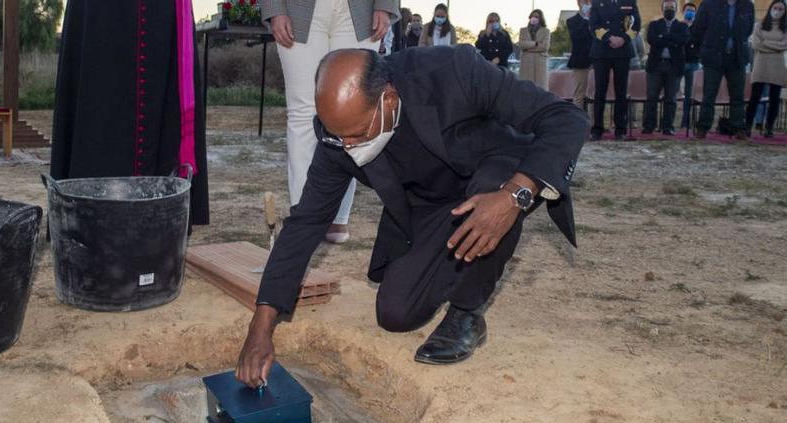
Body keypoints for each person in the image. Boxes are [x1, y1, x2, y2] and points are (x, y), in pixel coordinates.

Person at [234, 46, 590, 386]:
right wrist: (260, 327)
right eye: (337, 136)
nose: (347, 147)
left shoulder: (453, 72)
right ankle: (460, 262)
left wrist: (517, 193)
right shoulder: (337, 135)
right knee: (396, 315)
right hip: (432, 205)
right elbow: (306, 222)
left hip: (499, 179)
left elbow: (566, 118)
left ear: (388, 100)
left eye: (357, 135)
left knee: (491, 191)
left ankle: (467, 312)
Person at [51, 0, 209, 226]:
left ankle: (158, 218)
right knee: (98, 96)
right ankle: (93, 217)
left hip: (159, 13)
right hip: (101, 15)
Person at [262, 0, 399, 244]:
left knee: (353, 109)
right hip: (297, 9)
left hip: (360, 9)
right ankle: (304, 214)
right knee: (303, 112)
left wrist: (386, 4)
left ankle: (338, 213)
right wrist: (274, 8)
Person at [691, 0, 755, 140]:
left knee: (737, 96)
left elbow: (748, 29)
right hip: (713, 57)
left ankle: (738, 128)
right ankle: (703, 128)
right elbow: (697, 29)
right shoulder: (709, 4)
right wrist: (702, 51)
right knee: (709, 95)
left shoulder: (747, 5)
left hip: (737, 57)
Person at [589, 0, 641, 140]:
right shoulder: (597, 2)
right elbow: (593, 25)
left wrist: (623, 39)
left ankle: (620, 129)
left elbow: (636, 25)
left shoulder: (630, 2)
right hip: (602, 50)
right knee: (600, 91)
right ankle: (597, 129)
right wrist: (609, 38)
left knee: (621, 92)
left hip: (623, 51)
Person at [642, 0, 689, 135]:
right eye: (667, 7)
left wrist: (663, 37)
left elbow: (683, 39)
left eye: (672, 7)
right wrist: (672, 40)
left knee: (671, 99)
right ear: (662, 9)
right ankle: (649, 126)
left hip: (674, 66)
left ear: (676, 9)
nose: (669, 9)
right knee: (652, 98)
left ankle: (668, 127)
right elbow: (652, 39)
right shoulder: (654, 25)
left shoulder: (682, 26)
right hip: (655, 65)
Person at [746, 0, 787, 138]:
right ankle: (747, 126)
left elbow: (784, 45)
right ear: (770, 8)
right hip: (760, 66)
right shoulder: (759, 26)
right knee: (754, 98)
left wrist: (766, 43)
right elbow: (756, 45)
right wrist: (775, 45)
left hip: (777, 68)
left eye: (781, 9)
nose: (777, 11)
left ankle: (769, 128)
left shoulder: (785, 28)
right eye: (775, 8)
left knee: (774, 100)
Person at [567, 0, 594, 108]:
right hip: (580, 61)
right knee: (579, 94)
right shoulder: (572, 20)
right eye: (585, 1)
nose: (587, 4)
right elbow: (577, 37)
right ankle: (578, 122)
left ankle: (594, 123)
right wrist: (587, 19)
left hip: (597, 60)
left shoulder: (598, 19)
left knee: (595, 94)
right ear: (579, 3)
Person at [518, 10, 550, 90]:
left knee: (541, 88)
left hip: (540, 62)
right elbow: (521, 44)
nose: (534, 18)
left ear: (540, 18)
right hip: (526, 62)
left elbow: (545, 47)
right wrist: (535, 44)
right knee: (526, 88)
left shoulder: (546, 31)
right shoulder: (523, 30)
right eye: (532, 16)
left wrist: (528, 48)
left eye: (536, 17)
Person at [681, 2, 701, 129]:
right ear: (683, 12)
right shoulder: (679, 26)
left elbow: (698, 43)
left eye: (692, 11)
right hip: (678, 63)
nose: (690, 12)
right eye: (688, 10)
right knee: (672, 93)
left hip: (693, 63)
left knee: (689, 94)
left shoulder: (698, 28)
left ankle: (686, 121)